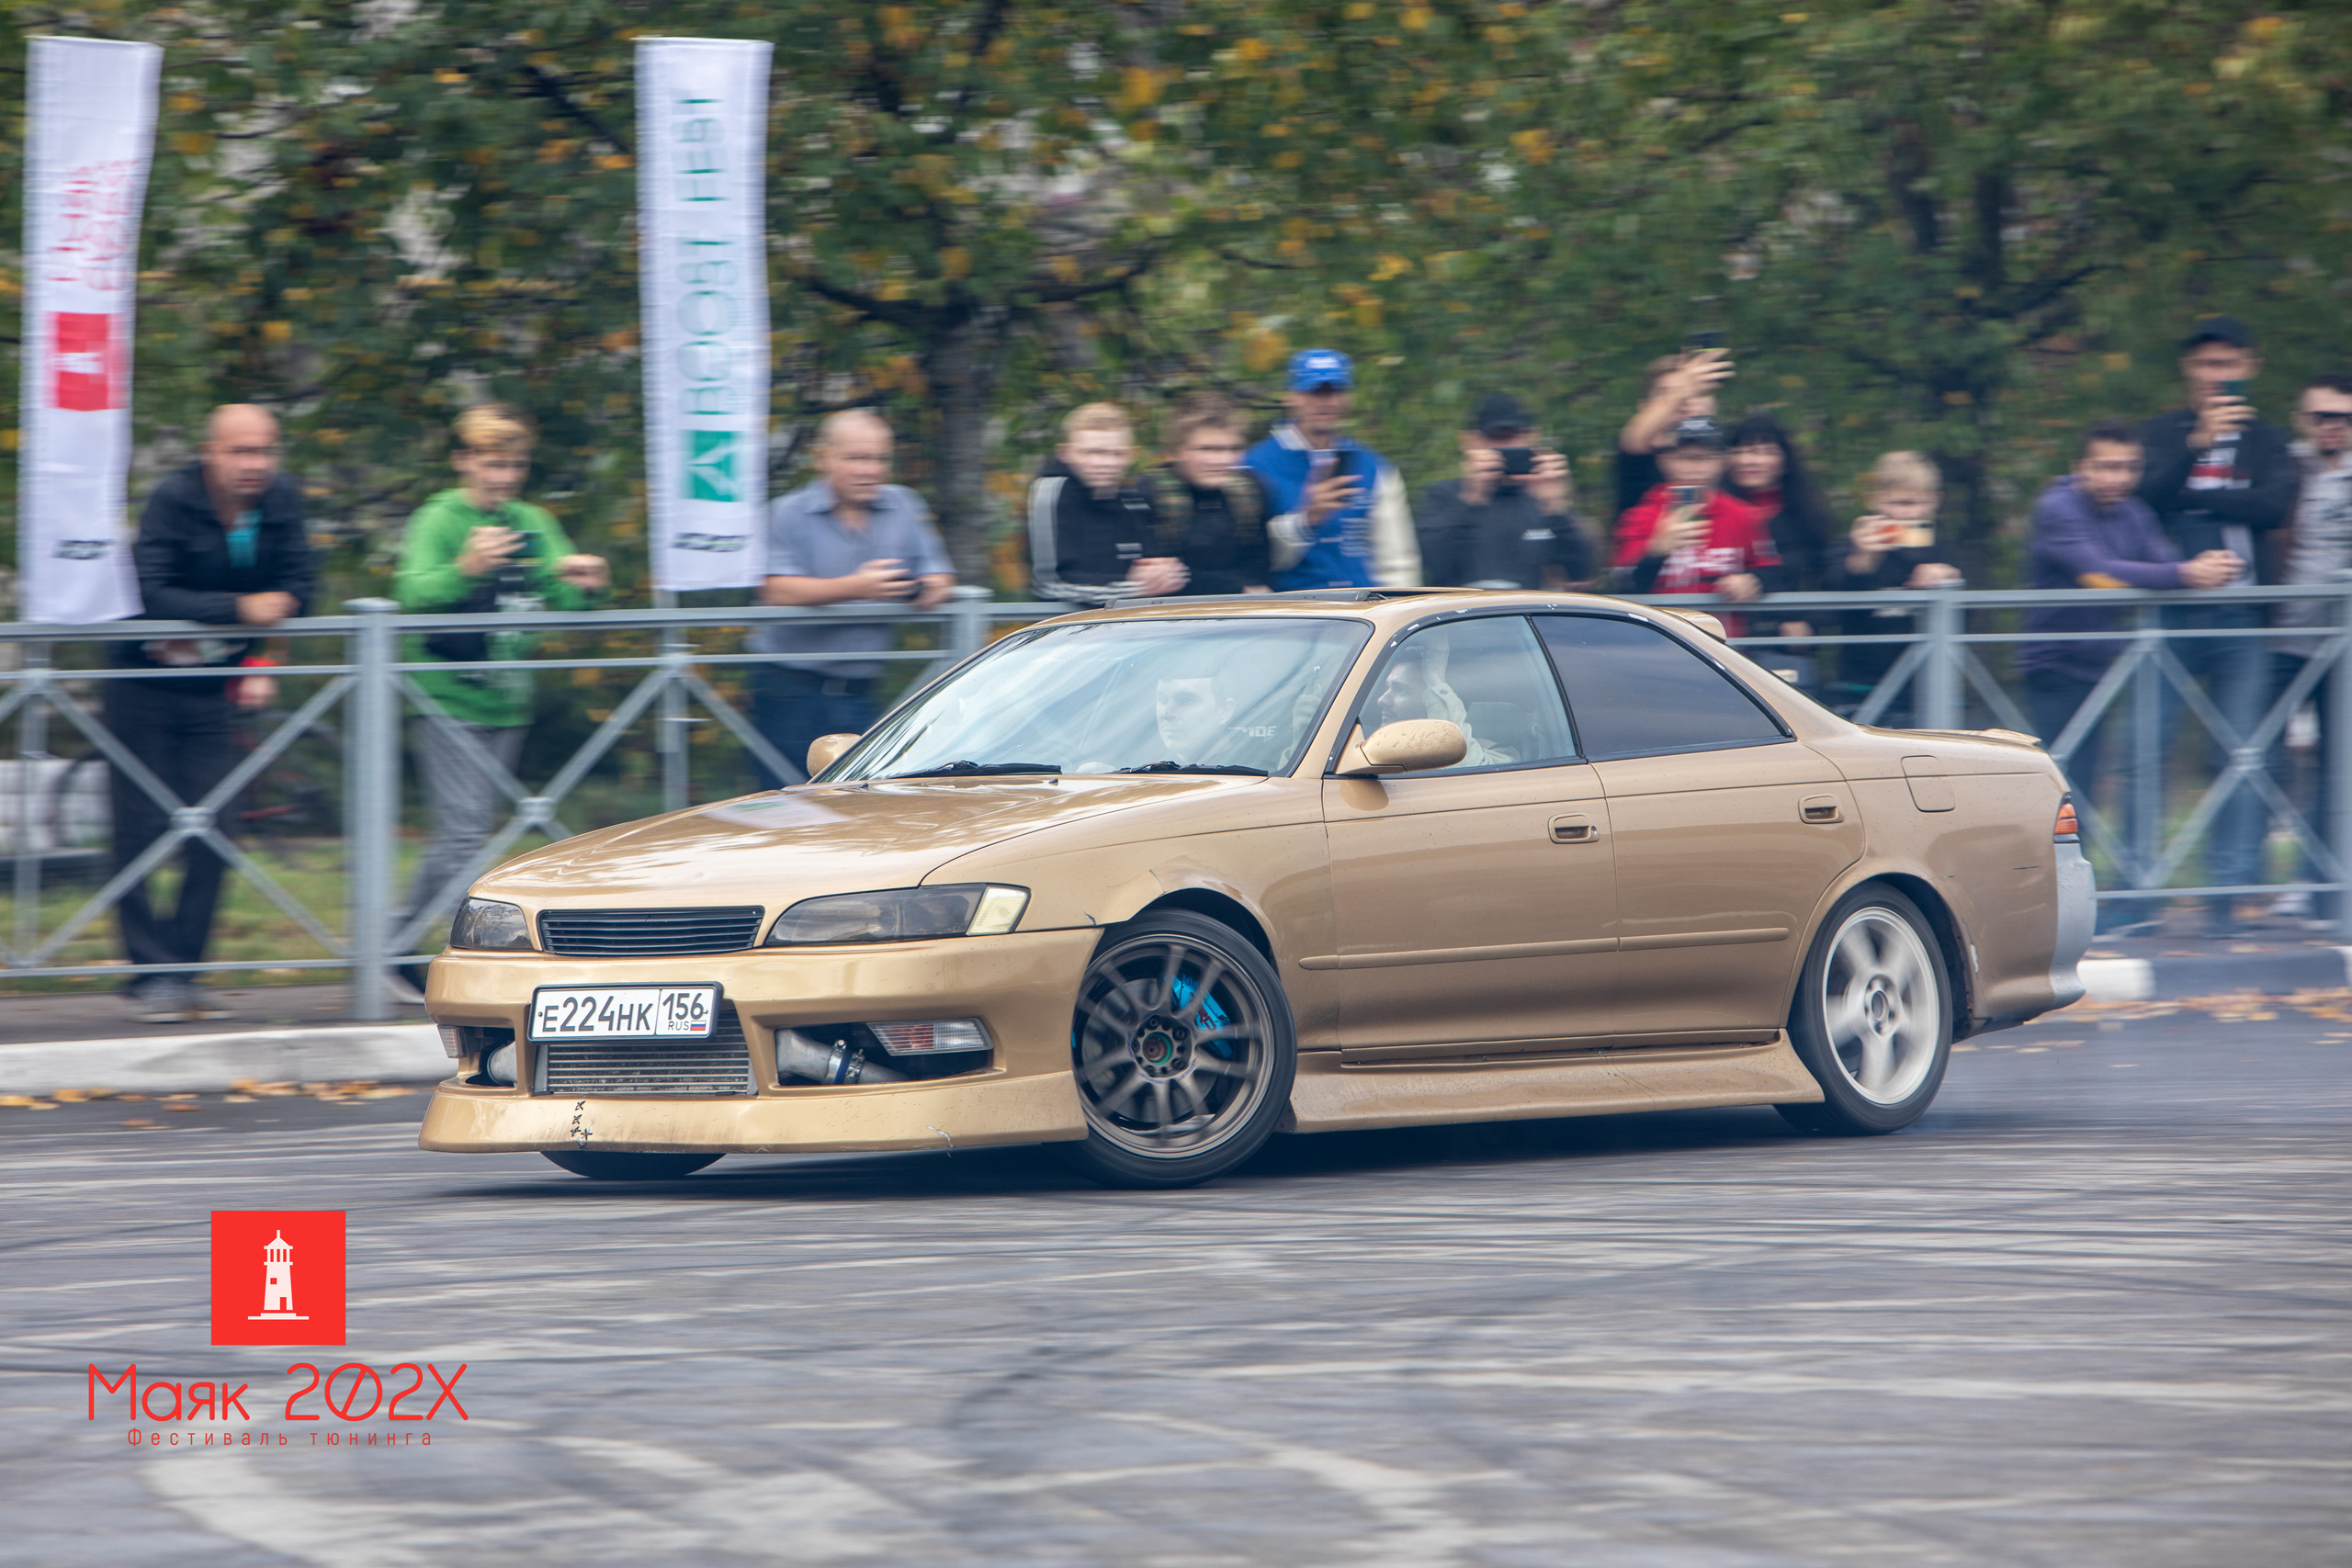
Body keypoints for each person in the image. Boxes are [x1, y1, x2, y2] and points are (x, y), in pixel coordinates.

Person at [107, 403, 316, 1023]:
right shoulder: (173, 498)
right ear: (210, 453)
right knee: (137, 826)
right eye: (240, 451)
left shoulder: (282, 502)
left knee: (218, 824)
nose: (254, 465)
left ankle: (185, 971)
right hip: (140, 679)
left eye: (264, 452)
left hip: (210, 685)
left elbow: (304, 584)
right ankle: (148, 975)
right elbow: (152, 589)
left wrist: (266, 628)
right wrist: (241, 608)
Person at [392, 406, 609, 973]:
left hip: (508, 699)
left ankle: (400, 943)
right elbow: (412, 594)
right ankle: (461, 961)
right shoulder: (438, 519)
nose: (504, 477)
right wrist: (467, 565)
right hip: (446, 696)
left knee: (465, 832)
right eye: (492, 463)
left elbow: (562, 599)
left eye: (514, 465)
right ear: (463, 461)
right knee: (465, 835)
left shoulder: (531, 521)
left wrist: (583, 583)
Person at [2019, 418, 2241, 925]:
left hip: (2103, 666)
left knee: (2089, 792)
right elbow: (2099, 574)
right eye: (2105, 466)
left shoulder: (2134, 512)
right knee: (2054, 793)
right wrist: (2187, 574)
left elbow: (2156, 561)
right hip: (2052, 665)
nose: (2117, 477)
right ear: (2079, 467)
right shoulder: (2057, 507)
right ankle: (2042, 909)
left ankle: (2087, 906)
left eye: (2128, 467)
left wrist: (2197, 568)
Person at [2139, 315, 2301, 931]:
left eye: (2228, 364)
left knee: (2242, 753)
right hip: (2166, 614)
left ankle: (2228, 893)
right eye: (2206, 365)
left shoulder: (2268, 440)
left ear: (2249, 366)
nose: (2217, 375)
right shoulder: (2162, 433)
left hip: (2242, 613)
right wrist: (2195, 450)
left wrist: (2200, 499)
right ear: (2188, 370)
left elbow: (2272, 504)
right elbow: (2144, 498)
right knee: (2145, 750)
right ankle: (2136, 894)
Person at [752, 411, 955, 788]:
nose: (870, 470)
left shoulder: (904, 506)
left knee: (859, 807)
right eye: (856, 458)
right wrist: (857, 587)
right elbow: (775, 590)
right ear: (824, 458)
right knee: (783, 806)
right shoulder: (788, 513)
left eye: (879, 459)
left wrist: (923, 590)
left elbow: (941, 577)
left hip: (861, 689)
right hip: (788, 688)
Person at [2267, 373, 2352, 926]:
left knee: (2335, 768)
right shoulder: (2285, 466)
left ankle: (2321, 886)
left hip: (2342, 645)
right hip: (2276, 636)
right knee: (2259, 760)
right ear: (2304, 419)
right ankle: (2243, 886)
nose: (2332, 427)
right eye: (2321, 416)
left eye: (2343, 417)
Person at [1246, 349, 1419, 591]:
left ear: (1349, 398)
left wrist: (1399, 608)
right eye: (1314, 391)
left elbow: (1397, 562)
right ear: (1290, 397)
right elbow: (1251, 561)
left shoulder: (1374, 467)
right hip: (1292, 614)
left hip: (1365, 615)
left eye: (1335, 391)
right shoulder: (1255, 465)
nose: (1325, 401)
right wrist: (1307, 519)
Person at [1611, 416, 1784, 636]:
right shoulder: (1640, 516)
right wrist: (1655, 551)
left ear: (1723, 461)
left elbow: (1775, 571)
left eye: (1704, 457)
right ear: (1663, 461)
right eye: (1684, 457)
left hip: (1724, 647)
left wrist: (1754, 580)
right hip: (1655, 645)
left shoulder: (1744, 514)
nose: (1694, 467)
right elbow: (1620, 586)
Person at [1826, 451, 1962, 723]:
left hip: (1925, 688)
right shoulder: (1852, 543)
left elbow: (1966, 617)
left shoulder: (1943, 546)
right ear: (1875, 500)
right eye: (1898, 503)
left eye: (1917, 503)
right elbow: (1833, 607)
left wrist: (1947, 580)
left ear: (1935, 501)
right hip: (1860, 687)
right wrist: (1861, 560)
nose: (1908, 513)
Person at [1413, 393, 1592, 589]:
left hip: (1526, 613)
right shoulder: (1443, 495)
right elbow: (1436, 567)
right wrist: (1472, 498)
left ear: (1532, 438)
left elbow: (1579, 574)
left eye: (1514, 437)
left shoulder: (1541, 500)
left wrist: (1556, 508)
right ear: (1472, 441)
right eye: (1496, 438)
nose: (1506, 447)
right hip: (1462, 614)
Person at [1027, 402, 1184, 607]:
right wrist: (1137, 588)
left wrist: (1167, 574)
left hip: (1126, 628)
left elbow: (1158, 569)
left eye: (1116, 454)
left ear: (1131, 454)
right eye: (1093, 453)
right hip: (1067, 630)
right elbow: (1049, 586)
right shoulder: (1050, 493)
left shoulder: (1134, 498)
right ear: (1065, 453)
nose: (1105, 463)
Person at [1721, 412, 1838, 685]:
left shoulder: (1808, 519)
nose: (1751, 460)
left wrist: (1811, 624)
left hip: (1787, 645)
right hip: (1722, 638)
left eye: (1764, 451)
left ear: (1784, 461)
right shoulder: (1711, 513)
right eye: (1742, 450)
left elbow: (1832, 580)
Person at [1141, 391, 1273, 597]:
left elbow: (1262, 563)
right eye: (1207, 449)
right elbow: (1160, 576)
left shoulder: (1251, 491)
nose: (1222, 459)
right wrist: (1234, 588)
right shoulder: (1150, 495)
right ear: (1177, 450)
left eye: (1232, 449)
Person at [1616, 346, 1735, 522]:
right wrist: (1681, 390)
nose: (1682, 401)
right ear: (1643, 408)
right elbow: (1635, 440)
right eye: (1666, 393)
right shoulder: (1637, 454)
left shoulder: (1725, 448)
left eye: (1693, 392)